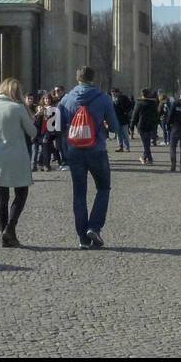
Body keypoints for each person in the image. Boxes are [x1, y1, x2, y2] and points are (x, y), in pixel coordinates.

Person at [59, 66, 119, 249]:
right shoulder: (103, 99)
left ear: (77, 79)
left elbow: (60, 125)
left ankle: (82, 238)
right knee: (103, 188)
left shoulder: (66, 99)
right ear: (93, 79)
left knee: (79, 194)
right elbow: (115, 127)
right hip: (97, 149)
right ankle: (94, 226)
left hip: (75, 150)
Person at [0, 78, 37, 247]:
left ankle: (4, 234)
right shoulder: (18, 108)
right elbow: (32, 131)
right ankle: (10, 228)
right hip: (16, 156)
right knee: (21, 192)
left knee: (2, 198)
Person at [131, 88, 159, 164]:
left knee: (145, 143)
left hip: (142, 125)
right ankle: (144, 157)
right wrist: (155, 124)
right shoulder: (153, 103)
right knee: (147, 142)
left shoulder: (139, 103)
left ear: (142, 94)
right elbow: (156, 115)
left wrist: (132, 126)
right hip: (151, 125)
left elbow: (135, 115)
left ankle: (150, 159)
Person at [111, 88, 134, 153]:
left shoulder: (123, 98)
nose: (113, 94)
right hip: (116, 119)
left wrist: (126, 112)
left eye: (114, 92)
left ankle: (127, 147)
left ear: (118, 92)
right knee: (118, 134)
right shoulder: (112, 99)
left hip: (123, 119)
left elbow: (130, 105)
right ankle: (120, 147)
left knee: (125, 134)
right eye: (112, 92)